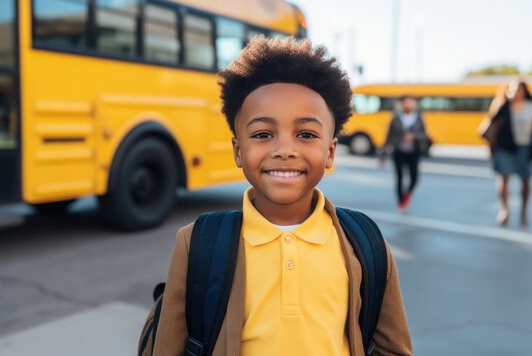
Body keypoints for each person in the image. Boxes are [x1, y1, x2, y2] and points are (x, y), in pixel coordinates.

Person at [153, 36, 412, 356]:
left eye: (306, 134)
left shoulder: (366, 242)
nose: (285, 151)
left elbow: (393, 348)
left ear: (330, 152)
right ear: (238, 150)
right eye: (263, 134)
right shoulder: (198, 242)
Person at [487, 80, 532, 226]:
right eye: (513, 90)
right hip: (505, 147)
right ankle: (504, 209)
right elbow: (492, 124)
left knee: (525, 179)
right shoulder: (503, 106)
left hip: (525, 148)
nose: (517, 93)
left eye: (520, 90)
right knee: (503, 178)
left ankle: (524, 210)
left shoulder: (530, 107)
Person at [380, 95, 429, 211]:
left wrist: (414, 137)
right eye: (405, 103)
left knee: (414, 177)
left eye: (410, 103)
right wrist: (383, 155)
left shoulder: (419, 119)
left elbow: (424, 136)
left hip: (413, 152)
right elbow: (388, 137)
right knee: (399, 177)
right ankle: (401, 200)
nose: (408, 105)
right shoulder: (395, 119)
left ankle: (408, 193)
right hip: (398, 152)